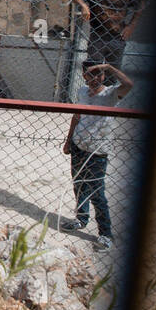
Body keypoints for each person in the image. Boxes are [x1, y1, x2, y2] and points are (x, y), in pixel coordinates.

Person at [61, 63, 133, 252]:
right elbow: (77, 116)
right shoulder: (82, 92)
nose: (94, 79)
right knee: (79, 183)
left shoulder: (110, 94)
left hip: (97, 151)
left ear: (103, 75)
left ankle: (105, 234)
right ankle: (81, 218)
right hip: (79, 145)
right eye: (89, 75)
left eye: (98, 75)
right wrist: (69, 141)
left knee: (97, 193)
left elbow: (129, 85)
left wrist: (109, 67)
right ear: (84, 76)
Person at [65, 0, 144, 71]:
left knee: (113, 73)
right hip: (98, 36)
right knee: (93, 70)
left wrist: (131, 25)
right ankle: (94, 88)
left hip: (118, 37)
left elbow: (140, 6)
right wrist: (83, 5)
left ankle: (110, 87)